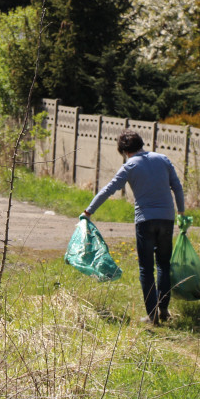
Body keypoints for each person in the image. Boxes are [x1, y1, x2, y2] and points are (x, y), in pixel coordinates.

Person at [83, 130, 185, 326]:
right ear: (141, 144)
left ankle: (152, 315)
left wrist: (88, 211)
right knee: (164, 264)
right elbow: (177, 187)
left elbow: (108, 189)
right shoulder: (163, 159)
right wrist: (181, 214)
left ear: (123, 150)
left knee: (146, 268)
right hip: (166, 219)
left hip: (145, 221)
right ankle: (163, 309)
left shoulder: (129, 166)